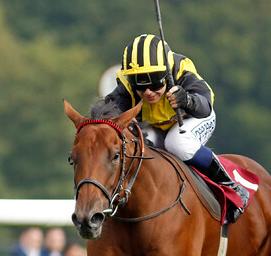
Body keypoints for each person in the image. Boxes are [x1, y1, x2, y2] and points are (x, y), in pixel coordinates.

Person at [96, 33, 250, 221]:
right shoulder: (126, 86)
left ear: (166, 74)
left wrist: (187, 100)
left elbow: (205, 106)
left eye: (154, 83)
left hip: (193, 119)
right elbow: (108, 112)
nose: (148, 92)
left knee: (178, 143)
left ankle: (232, 187)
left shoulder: (181, 71)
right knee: (138, 146)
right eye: (140, 85)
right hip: (158, 126)